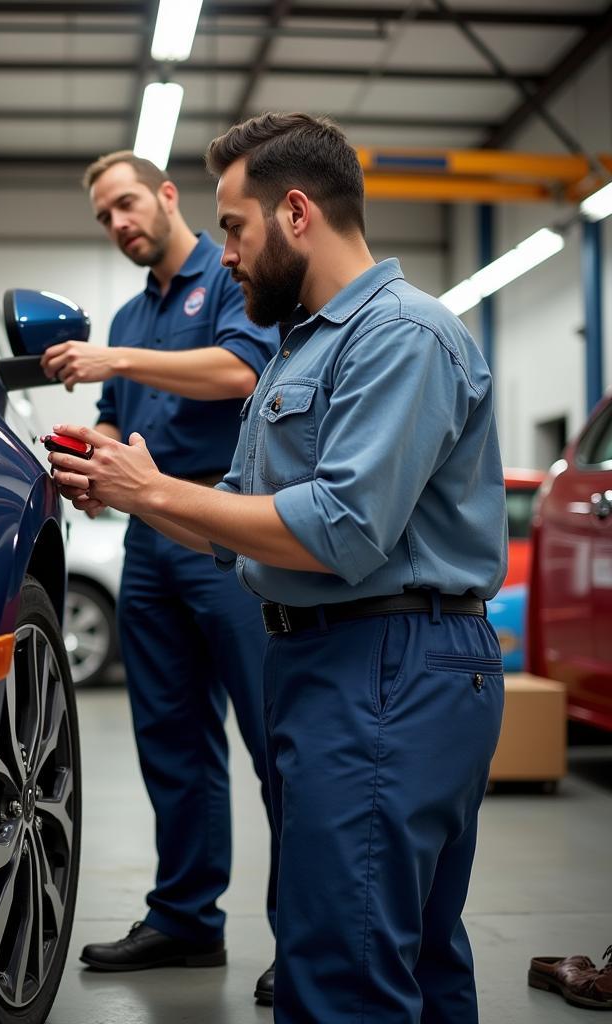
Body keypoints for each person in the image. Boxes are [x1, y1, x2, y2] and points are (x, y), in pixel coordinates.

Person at [48, 114, 507, 1024]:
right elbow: (247, 524)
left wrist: (155, 491)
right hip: (336, 661)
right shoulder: (309, 344)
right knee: (399, 955)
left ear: (296, 212)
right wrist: (136, 493)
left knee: (346, 967)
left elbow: (339, 529)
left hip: (387, 665)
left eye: (235, 227)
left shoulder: (400, 337)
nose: (226, 255)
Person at [41, 151, 280, 1003]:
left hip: (225, 536)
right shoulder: (129, 312)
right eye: (105, 216)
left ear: (167, 196)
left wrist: (119, 360)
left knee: (275, 743)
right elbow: (117, 421)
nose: (119, 224)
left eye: (128, 204)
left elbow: (244, 372)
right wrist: (90, 460)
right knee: (172, 744)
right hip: (149, 548)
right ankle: (185, 921)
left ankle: (309, 935)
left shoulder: (227, 276)